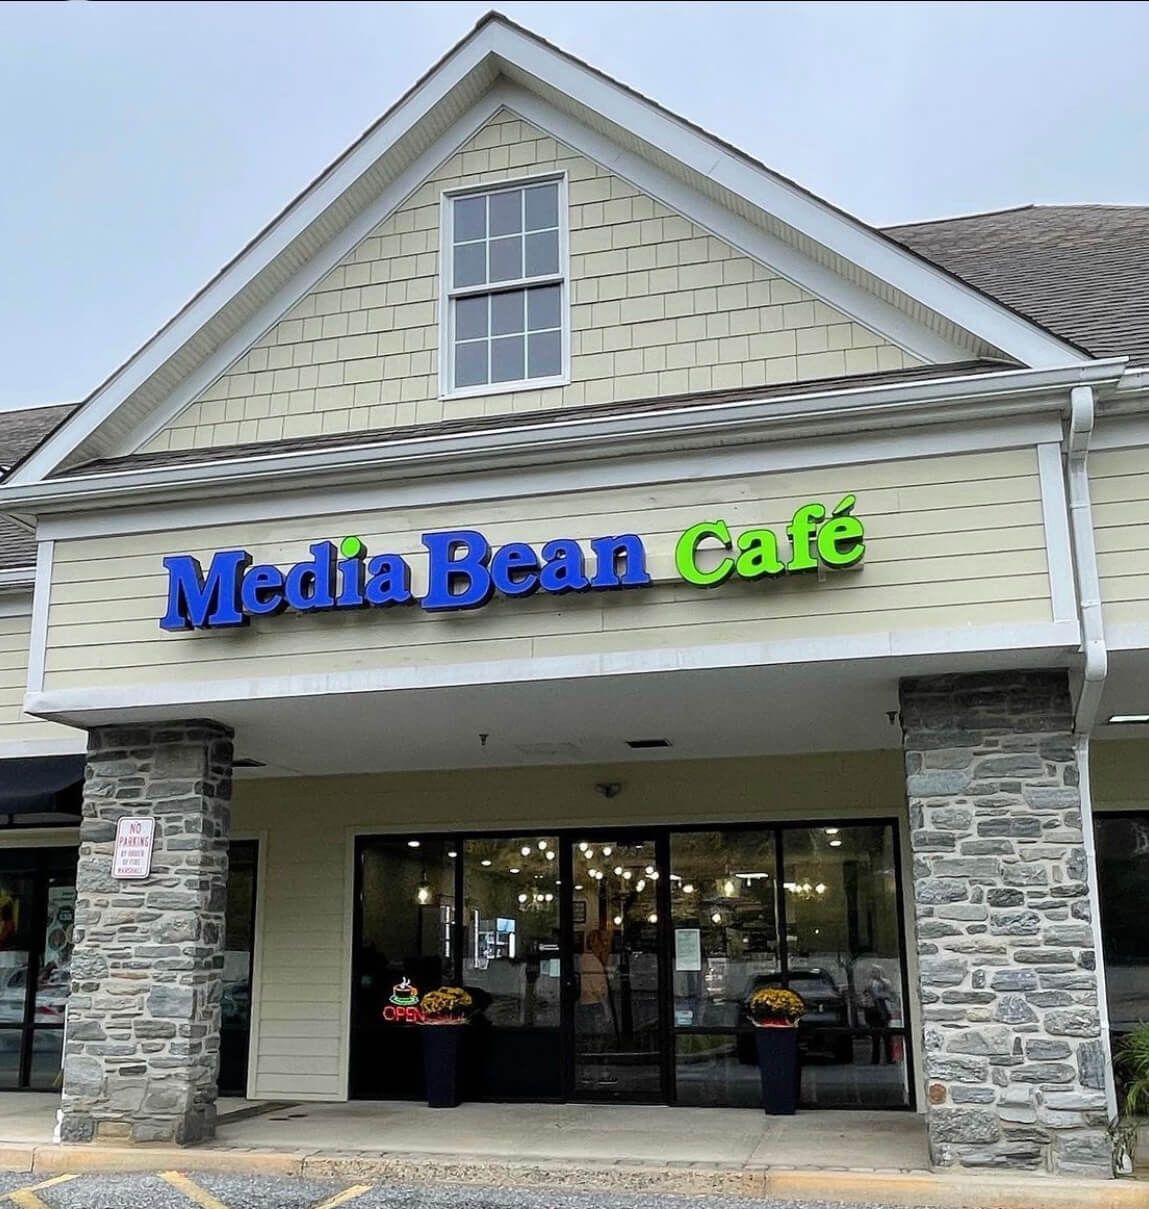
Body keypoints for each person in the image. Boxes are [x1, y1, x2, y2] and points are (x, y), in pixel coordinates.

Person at [862, 965, 895, 1065]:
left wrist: (880, 980)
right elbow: (866, 994)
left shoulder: (885, 982)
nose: (874, 973)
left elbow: (889, 991)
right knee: (875, 1037)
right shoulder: (870, 983)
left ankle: (889, 1058)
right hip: (873, 1011)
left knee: (886, 1036)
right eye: (872, 972)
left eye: (876, 971)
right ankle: (875, 1059)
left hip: (883, 1009)